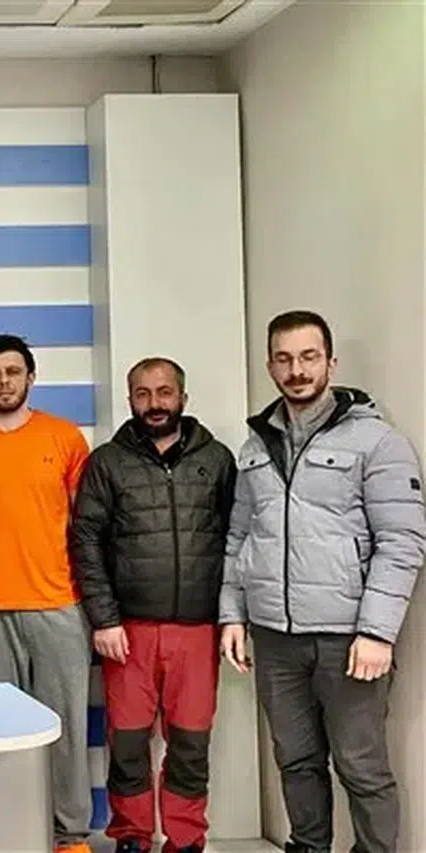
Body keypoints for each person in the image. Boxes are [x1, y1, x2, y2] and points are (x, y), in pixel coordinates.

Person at [220, 310, 426, 853]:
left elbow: (402, 542)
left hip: (348, 640)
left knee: (361, 765)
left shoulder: (378, 442)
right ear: (270, 367)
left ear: (331, 363)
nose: (297, 370)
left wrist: (377, 632)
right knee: (296, 761)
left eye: (308, 357)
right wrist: (232, 614)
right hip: (275, 638)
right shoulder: (255, 446)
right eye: (284, 359)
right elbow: (240, 537)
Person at [70, 357, 237, 853]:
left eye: (164, 392)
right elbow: (86, 541)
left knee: (190, 742)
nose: (154, 403)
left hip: (198, 629)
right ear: (130, 400)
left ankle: (185, 838)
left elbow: (238, 539)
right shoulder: (107, 462)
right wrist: (104, 619)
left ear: (182, 397)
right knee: (127, 743)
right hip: (128, 631)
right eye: (142, 394)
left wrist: (233, 616)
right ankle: (131, 836)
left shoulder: (217, 460)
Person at [0, 333, 93, 853]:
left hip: (58, 603)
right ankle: (7, 834)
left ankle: (70, 835)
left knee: (65, 727)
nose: (3, 382)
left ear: (31, 377)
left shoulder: (65, 438)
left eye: (13, 372)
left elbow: (86, 527)